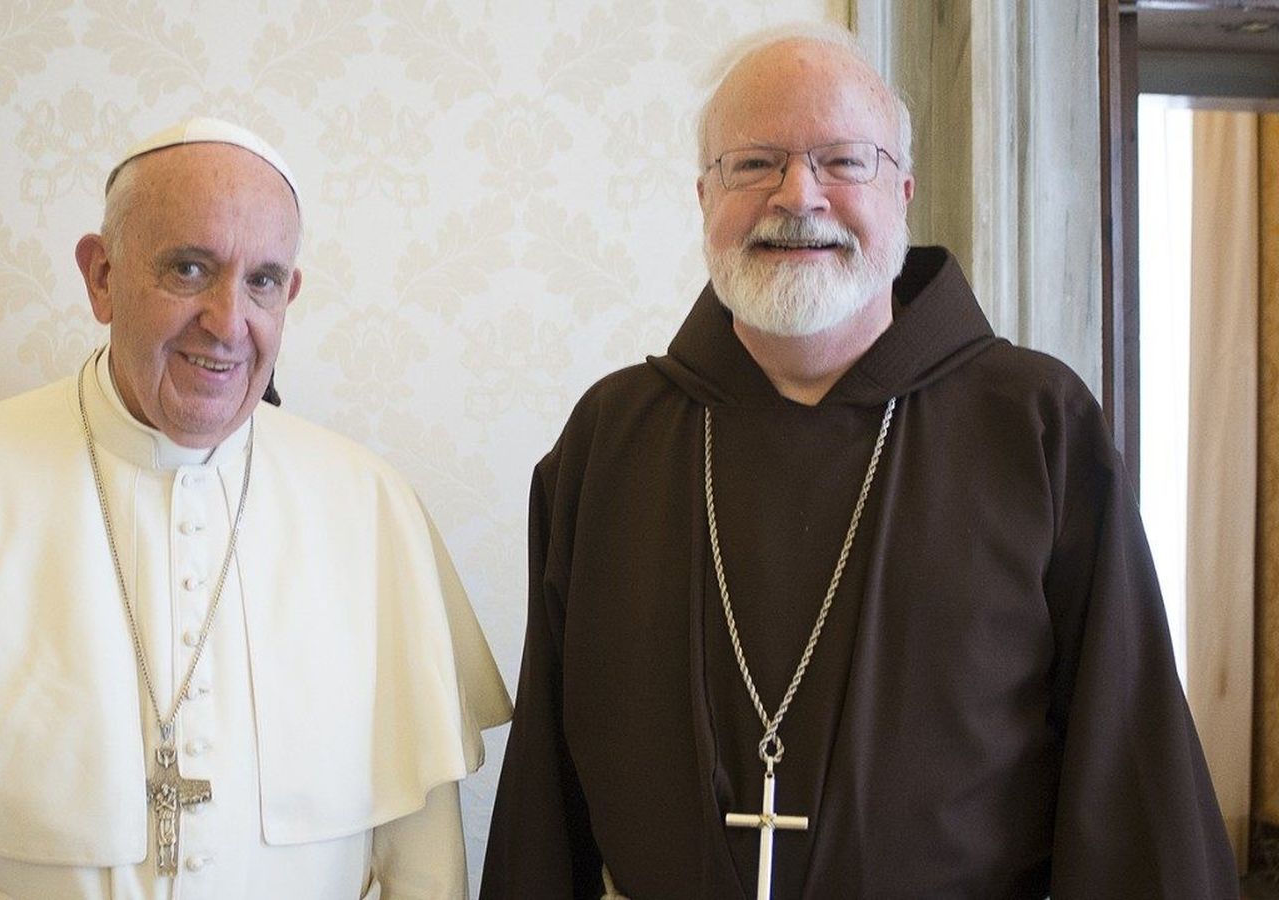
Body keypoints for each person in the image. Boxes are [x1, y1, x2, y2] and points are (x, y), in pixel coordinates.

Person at [479, 24, 1236, 900]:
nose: (798, 195)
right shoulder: (609, 442)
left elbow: (1130, 780)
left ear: (904, 192)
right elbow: (543, 792)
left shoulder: (1037, 428)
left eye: (844, 160)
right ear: (702, 196)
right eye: (754, 162)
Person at [0, 117, 512, 899]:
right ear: (101, 276)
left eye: (262, 279)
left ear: (290, 293)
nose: (228, 322)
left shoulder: (371, 511)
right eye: (191, 269)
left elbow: (424, 863)